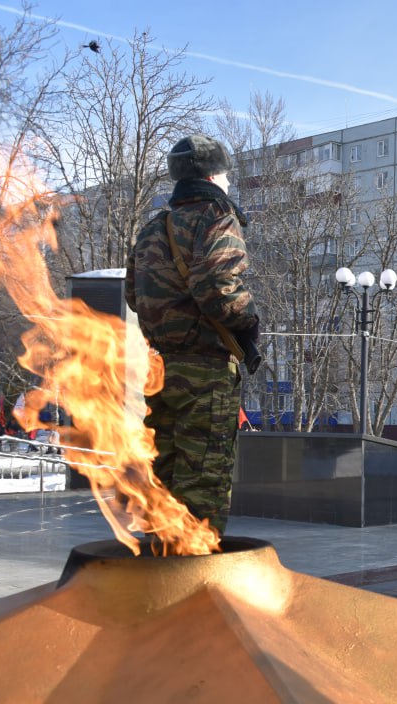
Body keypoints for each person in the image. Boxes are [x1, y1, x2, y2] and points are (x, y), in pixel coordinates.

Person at [125, 134, 259, 535]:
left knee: (162, 478)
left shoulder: (154, 227)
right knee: (203, 482)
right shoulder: (217, 216)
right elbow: (217, 285)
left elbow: (134, 295)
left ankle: (157, 574)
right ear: (215, 175)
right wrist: (248, 322)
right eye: (228, 176)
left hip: (159, 370)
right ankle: (195, 583)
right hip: (205, 372)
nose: (230, 184)